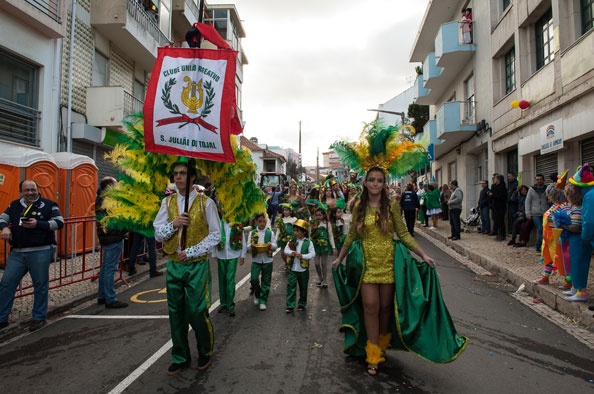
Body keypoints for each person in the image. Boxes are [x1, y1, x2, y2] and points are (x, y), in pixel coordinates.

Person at [329, 121, 466, 376]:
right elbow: (351, 236)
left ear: (383, 182)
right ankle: (372, 354)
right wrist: (340, 257)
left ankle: (381, 346)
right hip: (367, 262)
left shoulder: (392, 206)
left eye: (379, 180)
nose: (375, 184)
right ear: (365, 181)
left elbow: (403, 234)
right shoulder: (358, 205)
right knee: (369, 305)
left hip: (390, 262)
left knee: (384, 308)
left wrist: (424, 255)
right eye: (371, 179)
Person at [154, 158, 221, 375]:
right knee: (176, 313)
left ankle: (205, 351)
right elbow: (158, 231)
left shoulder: (206, 202)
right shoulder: (168, 202)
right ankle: (180, 356)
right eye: (175, 174)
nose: (178, 177)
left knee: (196, 310)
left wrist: (192, 251)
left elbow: (216, 235)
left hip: (196, 265)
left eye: (182, 173)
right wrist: (174, 224)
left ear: (192, 177)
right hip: (174, 265)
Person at [0, 180, 64, 331]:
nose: (30, 192)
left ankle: (38, 317)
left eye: (32, 189)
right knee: (6, 284)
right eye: (26, 190)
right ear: (20, 192)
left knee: (40, 285)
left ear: (37, 190)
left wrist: (38, 224)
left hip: (41, 251)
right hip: (17, 252)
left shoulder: (49, 204)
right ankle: (2, 318)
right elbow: (2, 218)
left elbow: (59, 222)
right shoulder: (14, 205)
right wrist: (4, 228)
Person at [96, 177, 128, 309]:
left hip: (107, 236)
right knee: (110, 268)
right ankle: (110, 298)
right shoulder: (109, 200)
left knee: (105, 267)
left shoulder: (101, 198)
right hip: (113, 237)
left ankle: (102, 295)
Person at [563, 164, 594, 302]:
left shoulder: (589, 196)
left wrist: (586, 236)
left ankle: (580, 291)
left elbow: (589, 220)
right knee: (576, 262)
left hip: (583, 237)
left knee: (579, 262)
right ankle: (577, 287)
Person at [533, 187, 568, 284]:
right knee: (548, 258)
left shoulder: (563, 207)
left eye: (548, 194)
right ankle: (546, 276)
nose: (547, 196)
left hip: (557, 238)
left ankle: (568, 280)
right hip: (548, 238)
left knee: (560, 260)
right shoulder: (554, 206)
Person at [215, 214, 246, 317]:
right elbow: (213, 238)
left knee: (230, 279)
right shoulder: (218, 223)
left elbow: (242, 239)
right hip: (221, 254)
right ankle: (223, 304)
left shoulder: (237, 224)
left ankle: (230, 305)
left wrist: (243, 255)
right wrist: (214, 254)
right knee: (222, 280)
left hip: (233, 254)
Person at [284, 219, 315, 313]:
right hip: (293, 269)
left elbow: (313, 254)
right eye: (295, 231)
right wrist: (291, 252)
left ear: (304, 232)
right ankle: (290, 305)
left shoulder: (309, 242)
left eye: (297, 231)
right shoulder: (292, 240)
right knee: (291, 287)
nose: (295, 233)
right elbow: (286, 250)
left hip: (303, 270)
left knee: (303, 287)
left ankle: (302, 304)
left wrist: (302, 256)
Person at [247, 213, 277, 311]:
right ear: (256, 222)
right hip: (256, 259)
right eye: (260, 221)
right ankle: (257, 293)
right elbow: (247, 247)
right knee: (254, 279)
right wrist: (251, 246)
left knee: (266, 280)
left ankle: (263, 300)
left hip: (267, 260)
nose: (262, 224)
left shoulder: (270, 233)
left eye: (264, 221)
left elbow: (275, 246)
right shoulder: (252, 233)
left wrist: (270, 245)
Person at [311, 206, 336, 288]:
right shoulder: (313, 223)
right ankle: (320, 277)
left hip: (324, 246)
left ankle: (325, 280)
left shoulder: (327, 224)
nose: (318, 217)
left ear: (324, 215)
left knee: (323, 263)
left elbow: (331, 236)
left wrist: (333, 247)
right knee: (316, 263)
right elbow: (310, 234)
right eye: (317, 215)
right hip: (316, 245)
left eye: (320, 215)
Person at [525, 174, 549, 251]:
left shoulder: (547, 189)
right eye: (537, 179)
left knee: (545, 230)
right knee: (540, 229)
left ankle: (540, 246)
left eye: (540, 179)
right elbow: (528, 202)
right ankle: (539, 246)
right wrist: (528, 213)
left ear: (543, 180)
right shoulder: (532, 189)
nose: (539, 181)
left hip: (545, 213)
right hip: (535, 213)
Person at [489, 175, 507, 241]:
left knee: (501, 221)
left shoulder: (502, 187)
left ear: (498, 179)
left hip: (501, 206)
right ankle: (498, 234)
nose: (494, 180)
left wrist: (492, 195)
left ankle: (502, 235)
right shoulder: (494, 186)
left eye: (495, 179)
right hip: (495, 206)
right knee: (497, 221)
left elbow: (501, 196)